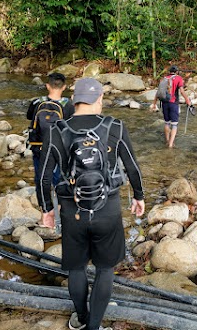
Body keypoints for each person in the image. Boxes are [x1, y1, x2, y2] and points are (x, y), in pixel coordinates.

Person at [38, 77, 145, 330]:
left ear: (74, 101)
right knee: (105, 269)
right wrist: (139, 196)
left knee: (75, 268)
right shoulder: (115, 126)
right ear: (99, 99)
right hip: (106, 210)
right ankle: (94, 326)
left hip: (72, 211)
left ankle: (82, 318)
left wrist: (47, 210)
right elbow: (132, 167)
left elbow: (44, 175)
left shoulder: (56, 129)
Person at [27, 72, 74, 212]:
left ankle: (45, 208)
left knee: (40, 176)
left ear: (47, 86)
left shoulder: (37, 102)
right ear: (64, 87)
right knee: (60, 176)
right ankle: (62, 206)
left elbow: (29, 116)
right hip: (59, 147)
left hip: (39, 146)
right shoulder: (68, 105)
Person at [151, 65, 192, 148]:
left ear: (169, 71)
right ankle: (170, 144)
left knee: (167, 123)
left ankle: (167, 140)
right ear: (177, 72)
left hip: (164, 103)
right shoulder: (178, 78)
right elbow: (182, 91)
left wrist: (154, 103)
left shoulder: (164, 79)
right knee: (174, 125)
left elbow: (158, 93)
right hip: (173, 103)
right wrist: (187, 100)